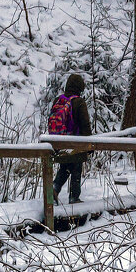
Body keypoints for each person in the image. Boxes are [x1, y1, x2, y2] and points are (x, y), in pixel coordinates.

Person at [50, 73, 91, 204]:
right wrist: (89, 145)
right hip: (75, 142)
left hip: (59, 141)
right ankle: (74, 198)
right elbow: (85, 125)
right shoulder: (79, 102)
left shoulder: (58, 100)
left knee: (65, 167)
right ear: (80, 87)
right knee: (76, 167)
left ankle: (54, 189)